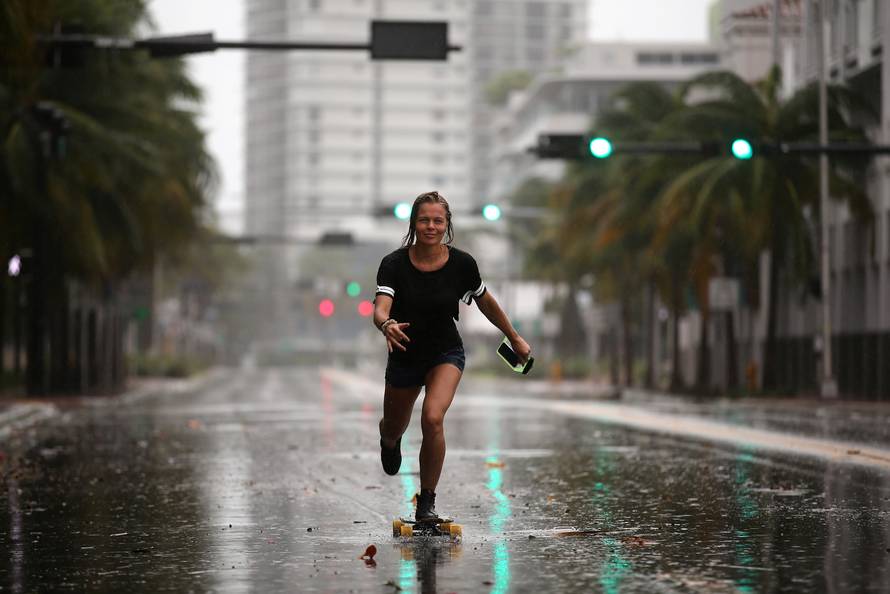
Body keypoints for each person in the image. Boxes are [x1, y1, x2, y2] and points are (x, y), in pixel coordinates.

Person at [373, 190, 531, 522]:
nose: (431, 226)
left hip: (445, 351)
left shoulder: (462, 264)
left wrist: (513, 336)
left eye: (437, 220)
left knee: (432, 418)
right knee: (393, 426)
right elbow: (380, 308)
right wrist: (386, 324)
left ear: (447, 224)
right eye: (424, 220)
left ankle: (426, 503)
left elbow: (486, 301)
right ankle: (389, 439)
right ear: (414, 223)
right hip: (404, 353)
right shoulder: (394, 264)